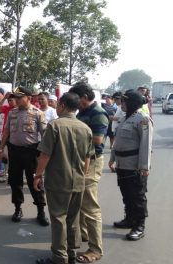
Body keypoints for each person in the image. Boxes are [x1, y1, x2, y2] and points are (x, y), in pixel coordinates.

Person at [34, 93, 94, 264]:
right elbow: (88, 158)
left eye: (58, 104)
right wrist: (82, 176)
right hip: (78, 182)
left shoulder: (55, 126)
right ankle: (72, 252)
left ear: (62, 105)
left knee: (58, 218)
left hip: (59, 181)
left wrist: (37, 175)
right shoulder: (85, 128)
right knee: (73, 218)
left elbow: (45, 155)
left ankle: (59, 257)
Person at [68, 82, 109, 263]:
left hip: (91, 162)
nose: (76, 103)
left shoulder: (98, 113)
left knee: (90, 207)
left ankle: (95, 249)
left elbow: (98, 140)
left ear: (84, 97)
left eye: (78, 99)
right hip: (80, 160)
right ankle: (83, 235)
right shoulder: (83, 112)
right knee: (80, 201)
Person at [0, 86, 49, 226]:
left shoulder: (38, 113)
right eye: (15, 97)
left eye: (19, 97)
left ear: (28, 98)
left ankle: (41, 211)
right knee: (15, 181)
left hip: (31, 151)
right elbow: (6, 132)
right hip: (14, 151)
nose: (16, 100)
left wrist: (45, 155)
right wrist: (1, 149)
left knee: (36, 181)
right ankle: (17, 209)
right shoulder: (12, 113)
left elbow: (45, 135)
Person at [109, 89, 153, 241]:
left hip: (134, 165)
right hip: (121, 164)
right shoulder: (124, 118)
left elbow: (146, 145)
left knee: (137, 197)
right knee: (126, 194)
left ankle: (139, 226)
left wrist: (144, 167)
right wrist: (112, 158)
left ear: (132, 103)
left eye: (124, 101)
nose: (122, 104)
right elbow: (118, 140)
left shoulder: (143, 119)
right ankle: (129, 219)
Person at [0, 92, 17, 183]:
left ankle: (17, 177)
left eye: (11, 100)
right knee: (5, 157)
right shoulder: (7, 108)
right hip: (6, 136)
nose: (9, 102)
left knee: (16, 158)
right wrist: (4, 99)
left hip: (16, 136)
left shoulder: (20, 109)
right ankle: (8, 177)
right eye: (8, 100)